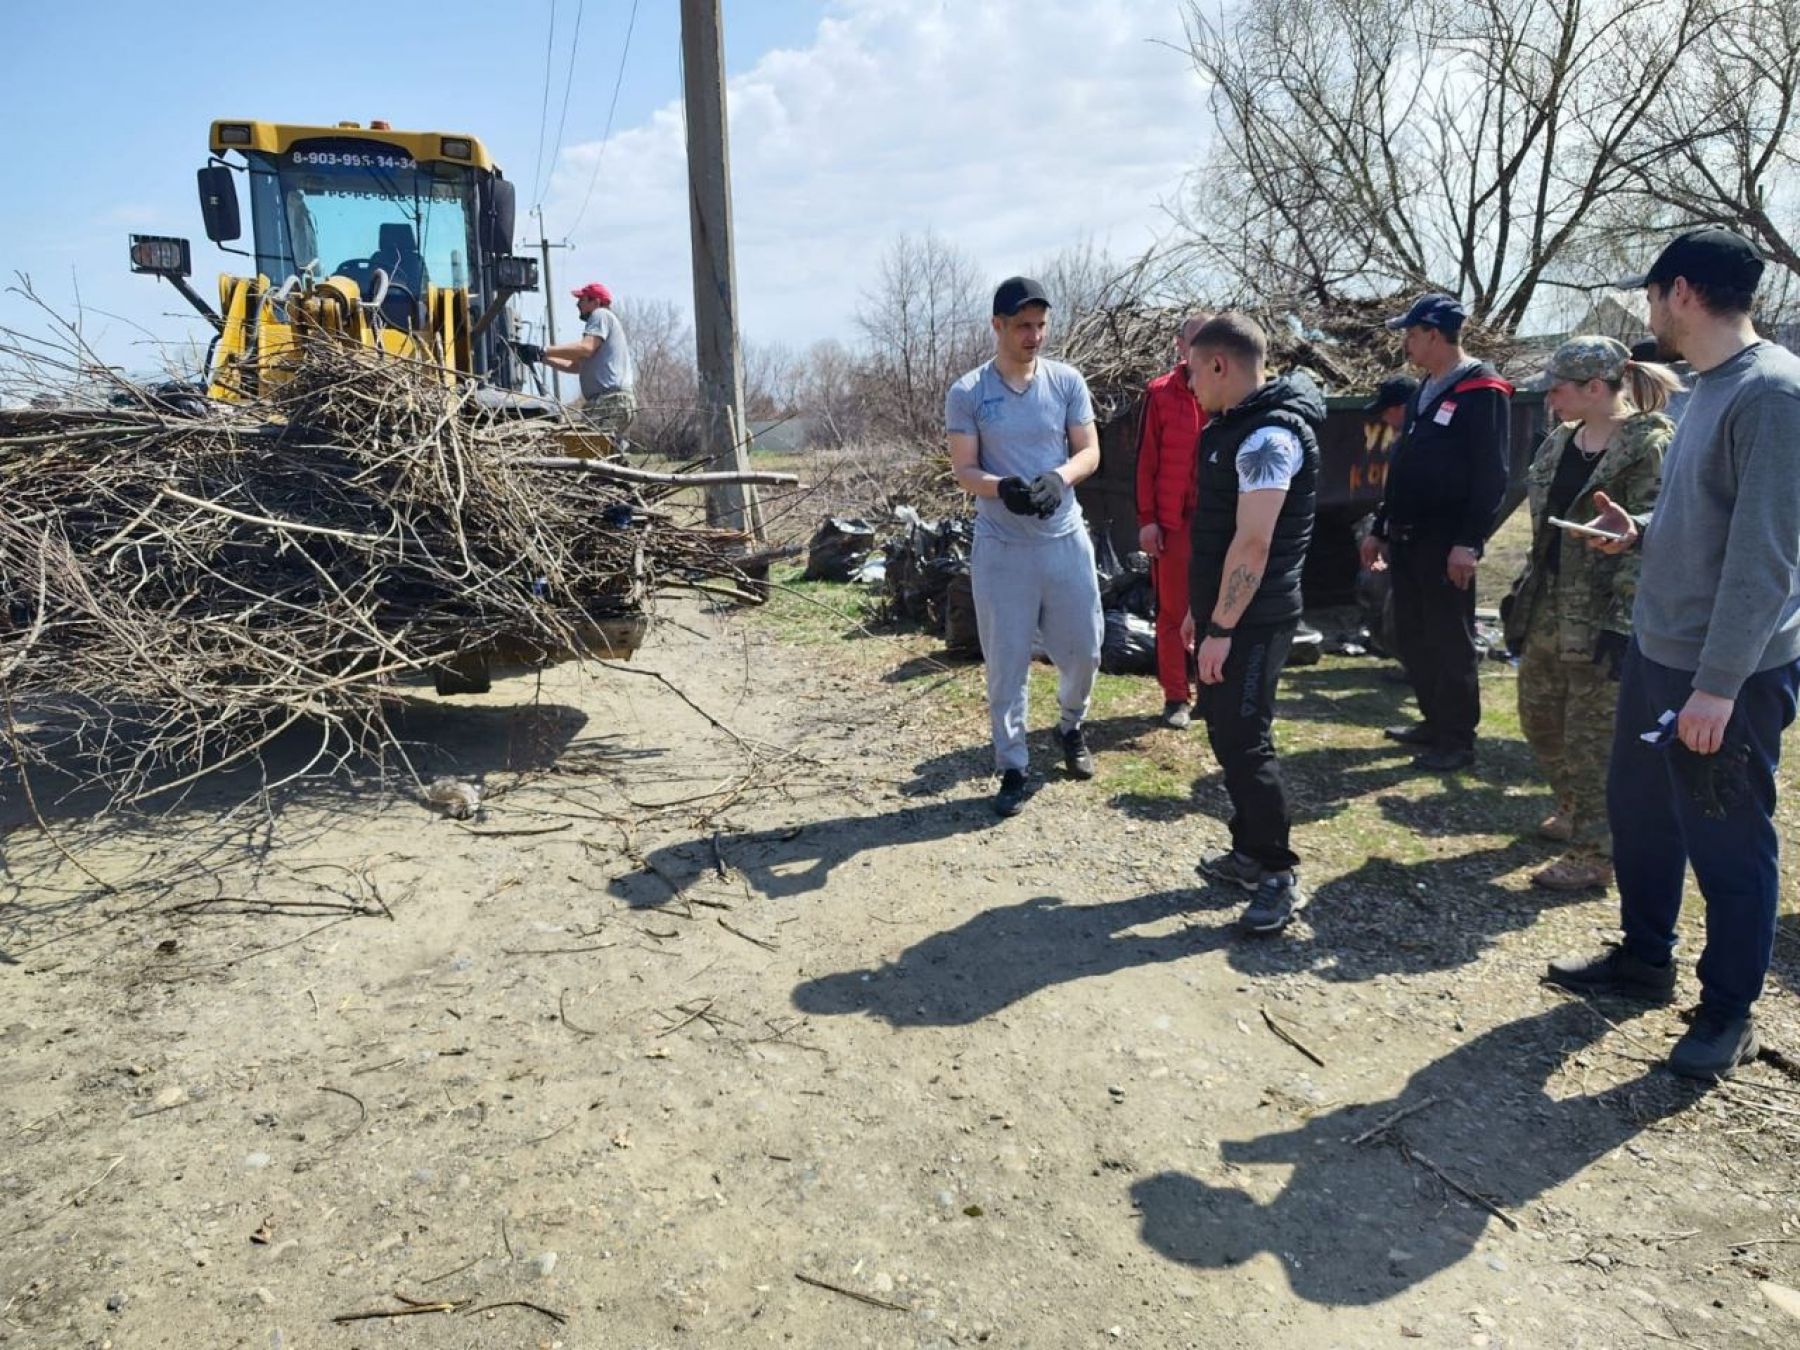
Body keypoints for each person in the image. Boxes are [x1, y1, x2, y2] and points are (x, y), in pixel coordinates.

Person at [1548, 228, 1800, 1080]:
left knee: (1728, 840)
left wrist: (1718, 688)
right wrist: (1646, 533)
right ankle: (1643, 959)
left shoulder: (1772, 394)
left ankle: (1729, 1012)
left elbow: (1767, 557)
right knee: (1643, 814)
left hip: (1724, 671)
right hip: (1661, 651)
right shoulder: (1705, 389)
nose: (1649, 313)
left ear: (1681, 292)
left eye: (1653, 297)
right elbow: (1714, 516)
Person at [1504, 336, 1677, 893]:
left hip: (1606, 617)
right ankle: (1574, 808)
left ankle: (1594, 854)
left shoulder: (1649, 444)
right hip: (1550, 608)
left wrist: (1622, 622)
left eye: (1558, 389)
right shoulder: (1560, 440)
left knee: (1593, 740)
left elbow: (1660, 535)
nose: (1550, 399)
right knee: (1539, 720)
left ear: (1595, 388)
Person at [1180, 314, 1324, 934]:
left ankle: (1275, 871)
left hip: (1254, 621)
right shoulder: (1232, 427)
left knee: (1246, 740)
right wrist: (1198, 607)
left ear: (1219, 365)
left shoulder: (1270, 437)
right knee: (1227, 734)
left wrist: (1222, 627)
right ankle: (1246, 851)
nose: (1187, 383)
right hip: (1227, 616)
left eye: (1191, 370)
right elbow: (1217, 536)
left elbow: (1254, 544)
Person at [946, 276, 1104, 818]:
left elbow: (1089, 452)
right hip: (1002, 546)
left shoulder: (1065, 382)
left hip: (1063, 540)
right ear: (998, 326)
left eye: (1041, 325)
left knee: (1084, 649)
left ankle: (1070, 725)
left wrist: (1059, 478)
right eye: (1022, 326)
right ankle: (1012, 764)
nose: (1034, 336)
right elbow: (964, 468)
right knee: (1006, 661)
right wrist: (1002, 488)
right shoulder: (970, 392)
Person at [1359, 293, 1511, 770]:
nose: (1406, 342)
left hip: (1446, 540)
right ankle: (1431, 720)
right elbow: (1405, 466)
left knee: (1450, 638)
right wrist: (1380, 527)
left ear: (1433, 333)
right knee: (1413, 633)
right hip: (1407, 535)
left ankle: (1457, 739)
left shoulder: (1480, 389)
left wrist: (1469, 542)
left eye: (1411, 333)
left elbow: (1491, 473)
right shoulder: (1426, 388)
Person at [1135, 314, 1211, 727]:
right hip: (1174, 522)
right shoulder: (1160, 393)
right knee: (1172, 612)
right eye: (1194, 340)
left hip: (1217, 522)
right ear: (1180, 345)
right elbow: (1146, 461)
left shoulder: (1230, 390)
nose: (1201, 348)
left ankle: (1211, 692)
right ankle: (1176, 696)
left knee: (1215, 609)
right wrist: (1148, 520)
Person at [517, 282, 637, 438]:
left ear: (596, 302)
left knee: (590, 449)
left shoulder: (600, 314)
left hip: (610, 401)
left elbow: (586, 348)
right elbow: (575, 366)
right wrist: (541, 357)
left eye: (582, 299)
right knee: (606, 450)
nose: (577, 304)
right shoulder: (602, 326)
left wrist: (543, 349)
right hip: (612, 402)